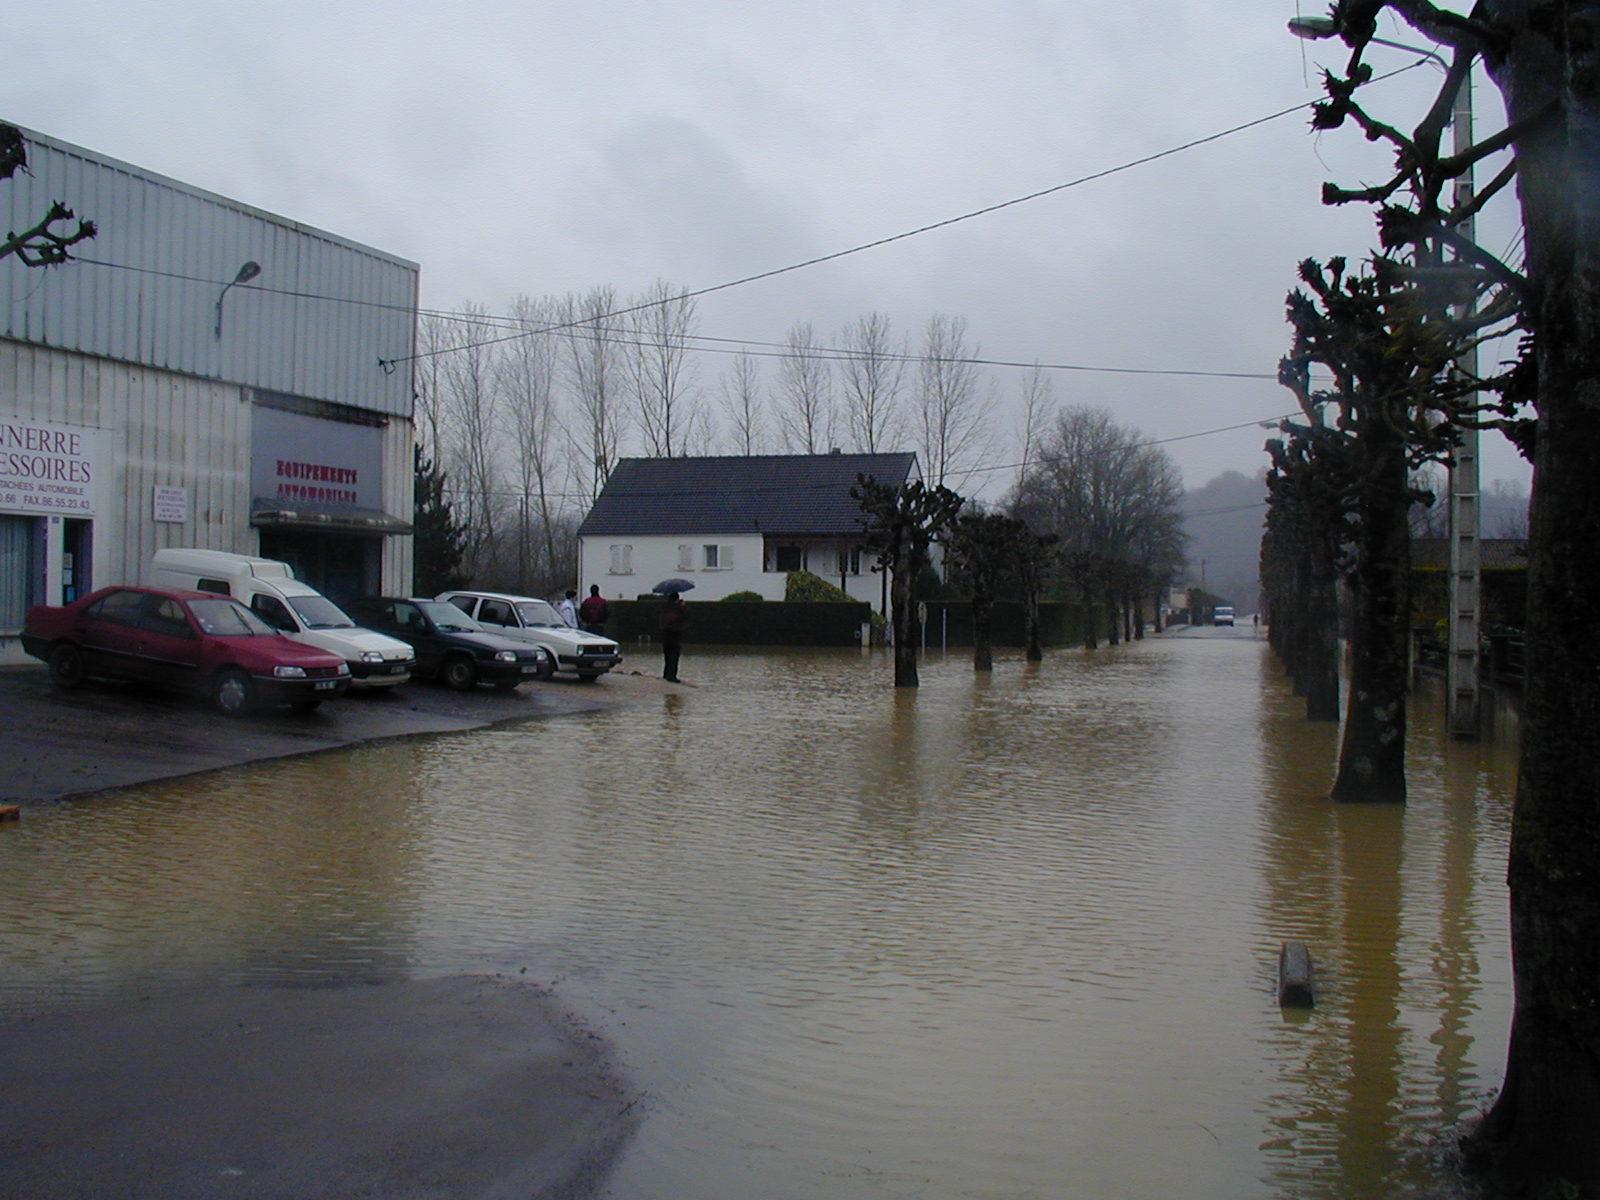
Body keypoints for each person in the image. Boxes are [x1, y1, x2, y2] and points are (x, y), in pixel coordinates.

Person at [659, 592, 686, 682]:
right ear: (677, 599)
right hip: (675, 634)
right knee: (674, 655)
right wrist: (682, 606)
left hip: (665, 634)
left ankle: (666, 675)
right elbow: (683, 617)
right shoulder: (678, 608)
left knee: (667, 655)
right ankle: (672, 676)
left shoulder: (664, 607)